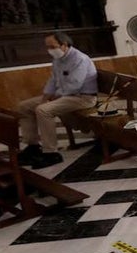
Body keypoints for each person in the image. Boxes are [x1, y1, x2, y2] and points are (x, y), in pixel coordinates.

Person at [16, 33, 97, 169]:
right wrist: (45, 98)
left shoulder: (80, 59)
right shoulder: (58, 59)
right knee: (24, 106)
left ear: (64, 45)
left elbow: (74, 85)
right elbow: (52, 80)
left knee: (43, 110)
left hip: (82, 98)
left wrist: (52, 99)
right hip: (64, 96)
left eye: (52, 46)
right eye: (47, 47)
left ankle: (51, 153)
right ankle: (33, 146)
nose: (49, 50)